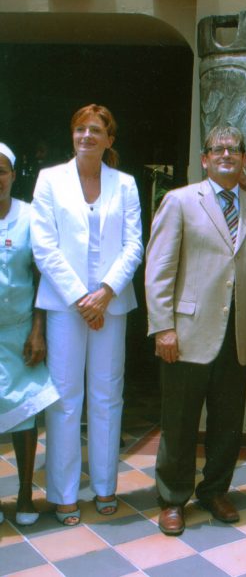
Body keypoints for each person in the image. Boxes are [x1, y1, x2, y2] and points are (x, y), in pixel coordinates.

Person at [145, 125, 246, 536]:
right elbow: (159, 269)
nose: (226, 154)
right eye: (217, 149)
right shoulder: (179, 201)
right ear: (204, 158)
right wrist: (163, 327)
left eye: (234, 149)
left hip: (237, 336)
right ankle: (172, 498)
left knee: (227, 422)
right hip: (186, 334)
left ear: (244, 159)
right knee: (180, 421)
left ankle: (215, 490)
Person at [30, 104, 143, 526]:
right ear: (72, 135)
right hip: (65, 305)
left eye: (96, 130)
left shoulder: (125, 184)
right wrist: (83, 297)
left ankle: (104, 486)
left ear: (110, 139)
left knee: (106, 396)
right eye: (80, 129)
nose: (86, 136)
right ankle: (62, 492)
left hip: (111, 306)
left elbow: (134, 245)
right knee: (63, 398)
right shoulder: (50, 180)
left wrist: (105, 293)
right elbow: (44, 246)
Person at [0, 143, 59, 526]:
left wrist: (38, 330)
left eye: (1, 171)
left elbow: (42, 276)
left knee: (23, 413)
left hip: (17, 331)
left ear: (13, 174)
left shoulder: (28, 217)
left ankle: (24, 495)